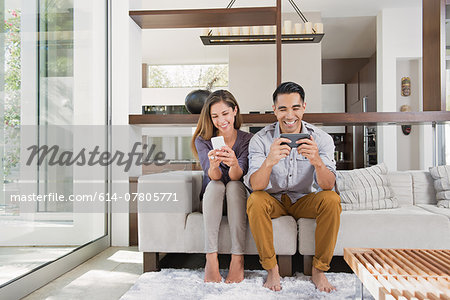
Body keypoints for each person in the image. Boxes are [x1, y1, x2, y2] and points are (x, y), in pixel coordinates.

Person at [244, 82, 341, 292]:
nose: (290, 115)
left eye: (295, 108)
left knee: (332, 199)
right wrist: (269, 161)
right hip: (274, 201)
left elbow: (328, 184)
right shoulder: (260, 140)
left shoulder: (322, 139)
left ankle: (319, 270)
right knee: (255, 200)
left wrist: (317, 161)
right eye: (283, 109)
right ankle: (272, 269)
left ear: (304, 107)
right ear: (274, 110)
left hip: (304, 200)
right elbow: (256, 186)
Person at [191, 90, 253, 283]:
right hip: (213, 199)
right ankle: (211, 260)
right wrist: (215, 166)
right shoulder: (203, 140)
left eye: (225, 114)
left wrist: (234, 163)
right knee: (217, 185)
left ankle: (237, 260)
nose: (221, 121)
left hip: (237, 201)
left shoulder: (247, 140)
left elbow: (238, 176)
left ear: (235, 111)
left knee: (234, 186)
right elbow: (213, 176)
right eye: (215, 116)